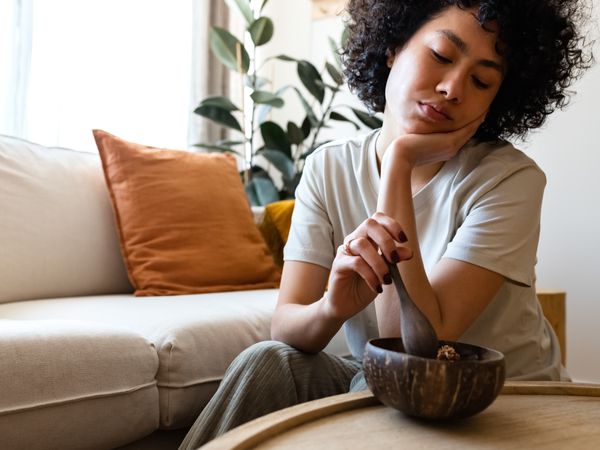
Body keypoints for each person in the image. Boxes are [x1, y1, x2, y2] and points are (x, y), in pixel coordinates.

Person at [179, 0, 592, 447]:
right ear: (394, 46)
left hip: (508, 394)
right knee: (267, 361)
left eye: (481, 80)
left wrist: (398, 162)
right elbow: (286, 326)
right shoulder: (328, 168)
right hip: (387, 383)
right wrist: (332, 307)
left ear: (498, 99)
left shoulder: (510, 180)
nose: (453, 88)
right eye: (441, 56)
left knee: (378, 388)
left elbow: (413, 349)